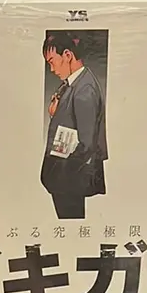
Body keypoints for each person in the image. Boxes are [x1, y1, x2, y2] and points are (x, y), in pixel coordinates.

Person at [40, 32, 107, 220]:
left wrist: (62, 173)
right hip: (67, 178)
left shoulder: (84, 88)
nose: (52, 69)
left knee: (70, 223)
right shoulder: (76, 83)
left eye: (52, 61)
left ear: (68, 55)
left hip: (70, 179)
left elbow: (86, 144)